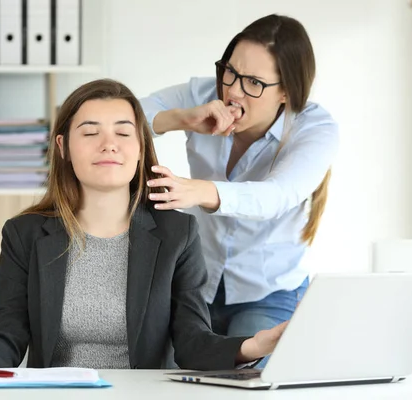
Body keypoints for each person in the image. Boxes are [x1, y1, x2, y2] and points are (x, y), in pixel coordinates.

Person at [0, 78, 288, 371]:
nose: (109, 145)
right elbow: (8, 338)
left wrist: (253, 346)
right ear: (63, 147)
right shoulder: (24, 234)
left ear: (141, 147)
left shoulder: (178, 233)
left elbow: (192, 341)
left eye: (124, 133)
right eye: (90, 132)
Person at [140, 14, 339, 366]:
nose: (232, 90)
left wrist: (200, 191)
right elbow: (129, 114)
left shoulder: (314, 128)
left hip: (267, 293)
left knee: (241, 381)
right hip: (196, 286)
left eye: (253, 83)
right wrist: (181, 119)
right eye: (229, 71)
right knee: (160, 378)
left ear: (287, 92)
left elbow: (276, 196)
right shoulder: (203, 93)